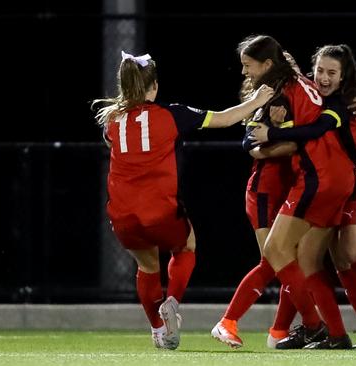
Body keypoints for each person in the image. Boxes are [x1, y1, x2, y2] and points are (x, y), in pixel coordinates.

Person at [92, 51, 274, 350]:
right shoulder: (173, 114)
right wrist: (256, 101)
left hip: (123, 213)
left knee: (147, 266)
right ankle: (173, 301)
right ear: (154, 87)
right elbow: (225, 118)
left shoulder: (111, 121)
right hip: (159, 209)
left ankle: (158, 331)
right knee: (186, 244)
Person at [253, 44, 356, 348]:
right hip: (335, 183)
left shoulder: (345, 101)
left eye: (331, 72)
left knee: (348, 253)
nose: (323, 77)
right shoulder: (311, 91)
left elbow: (317, 128)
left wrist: (272, 134)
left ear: (344, 74)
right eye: (320, 70)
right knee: (328, 261)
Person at [211, 35, 327, 349]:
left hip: (280, 184)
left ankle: (273, 330)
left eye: (249, 65)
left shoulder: (283, 92)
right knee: (277, 261)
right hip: (269, 186)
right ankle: (242, 324)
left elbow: (266, 143)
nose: (245, 72)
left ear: (267, 64)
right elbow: (251, 142)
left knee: (281, 261)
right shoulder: (285, 89)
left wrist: (273, 142)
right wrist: (270, 144)